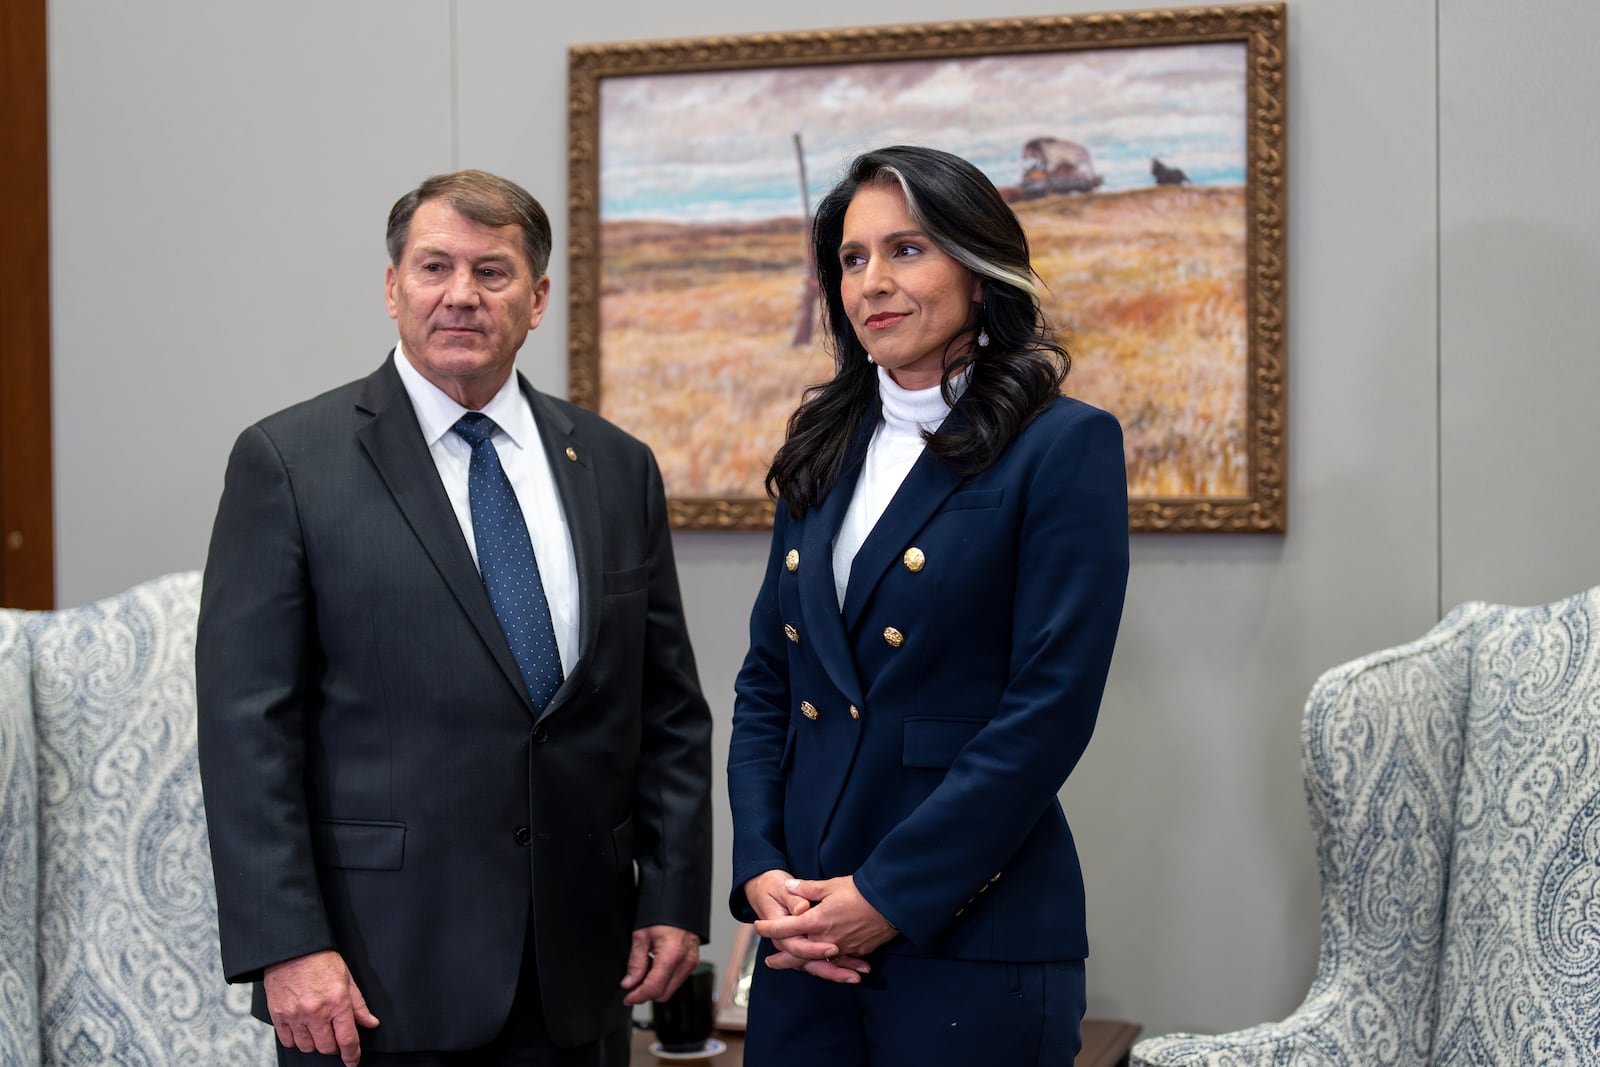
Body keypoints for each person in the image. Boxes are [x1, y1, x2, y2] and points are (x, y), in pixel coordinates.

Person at [196, 169, 713, 1067]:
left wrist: (671, 895)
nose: (461, 295)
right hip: (373, 977)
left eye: (493, 271)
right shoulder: (287, 463)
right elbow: (247, 732)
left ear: (539, 296)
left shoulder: (617, 466)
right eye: (434, 267)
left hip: (581, 972)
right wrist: (285, 942)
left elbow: (665, 708)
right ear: (392, 286)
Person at [727, 145, 1130, 1065]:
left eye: (907, 250)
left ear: (979, 272)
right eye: (854, 258)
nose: (874, 280)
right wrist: (761, 871)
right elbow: (768, 685)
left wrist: (889, 895)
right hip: (805, 938)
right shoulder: (820, 444)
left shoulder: (1063, 445)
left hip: (968, 936)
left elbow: (1049, 708)